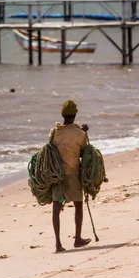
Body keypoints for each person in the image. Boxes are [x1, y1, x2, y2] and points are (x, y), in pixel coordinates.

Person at [49, 100, 91, 253]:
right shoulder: (80, 134)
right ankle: (77, 239)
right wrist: (85, 132)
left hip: (57, 176)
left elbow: (50, 151)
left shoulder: (54, 132)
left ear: (62, 115)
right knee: (78, 205)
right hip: (73, 173)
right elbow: (84, 153)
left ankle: (58, 244)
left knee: (56, 208)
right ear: (74, 115)